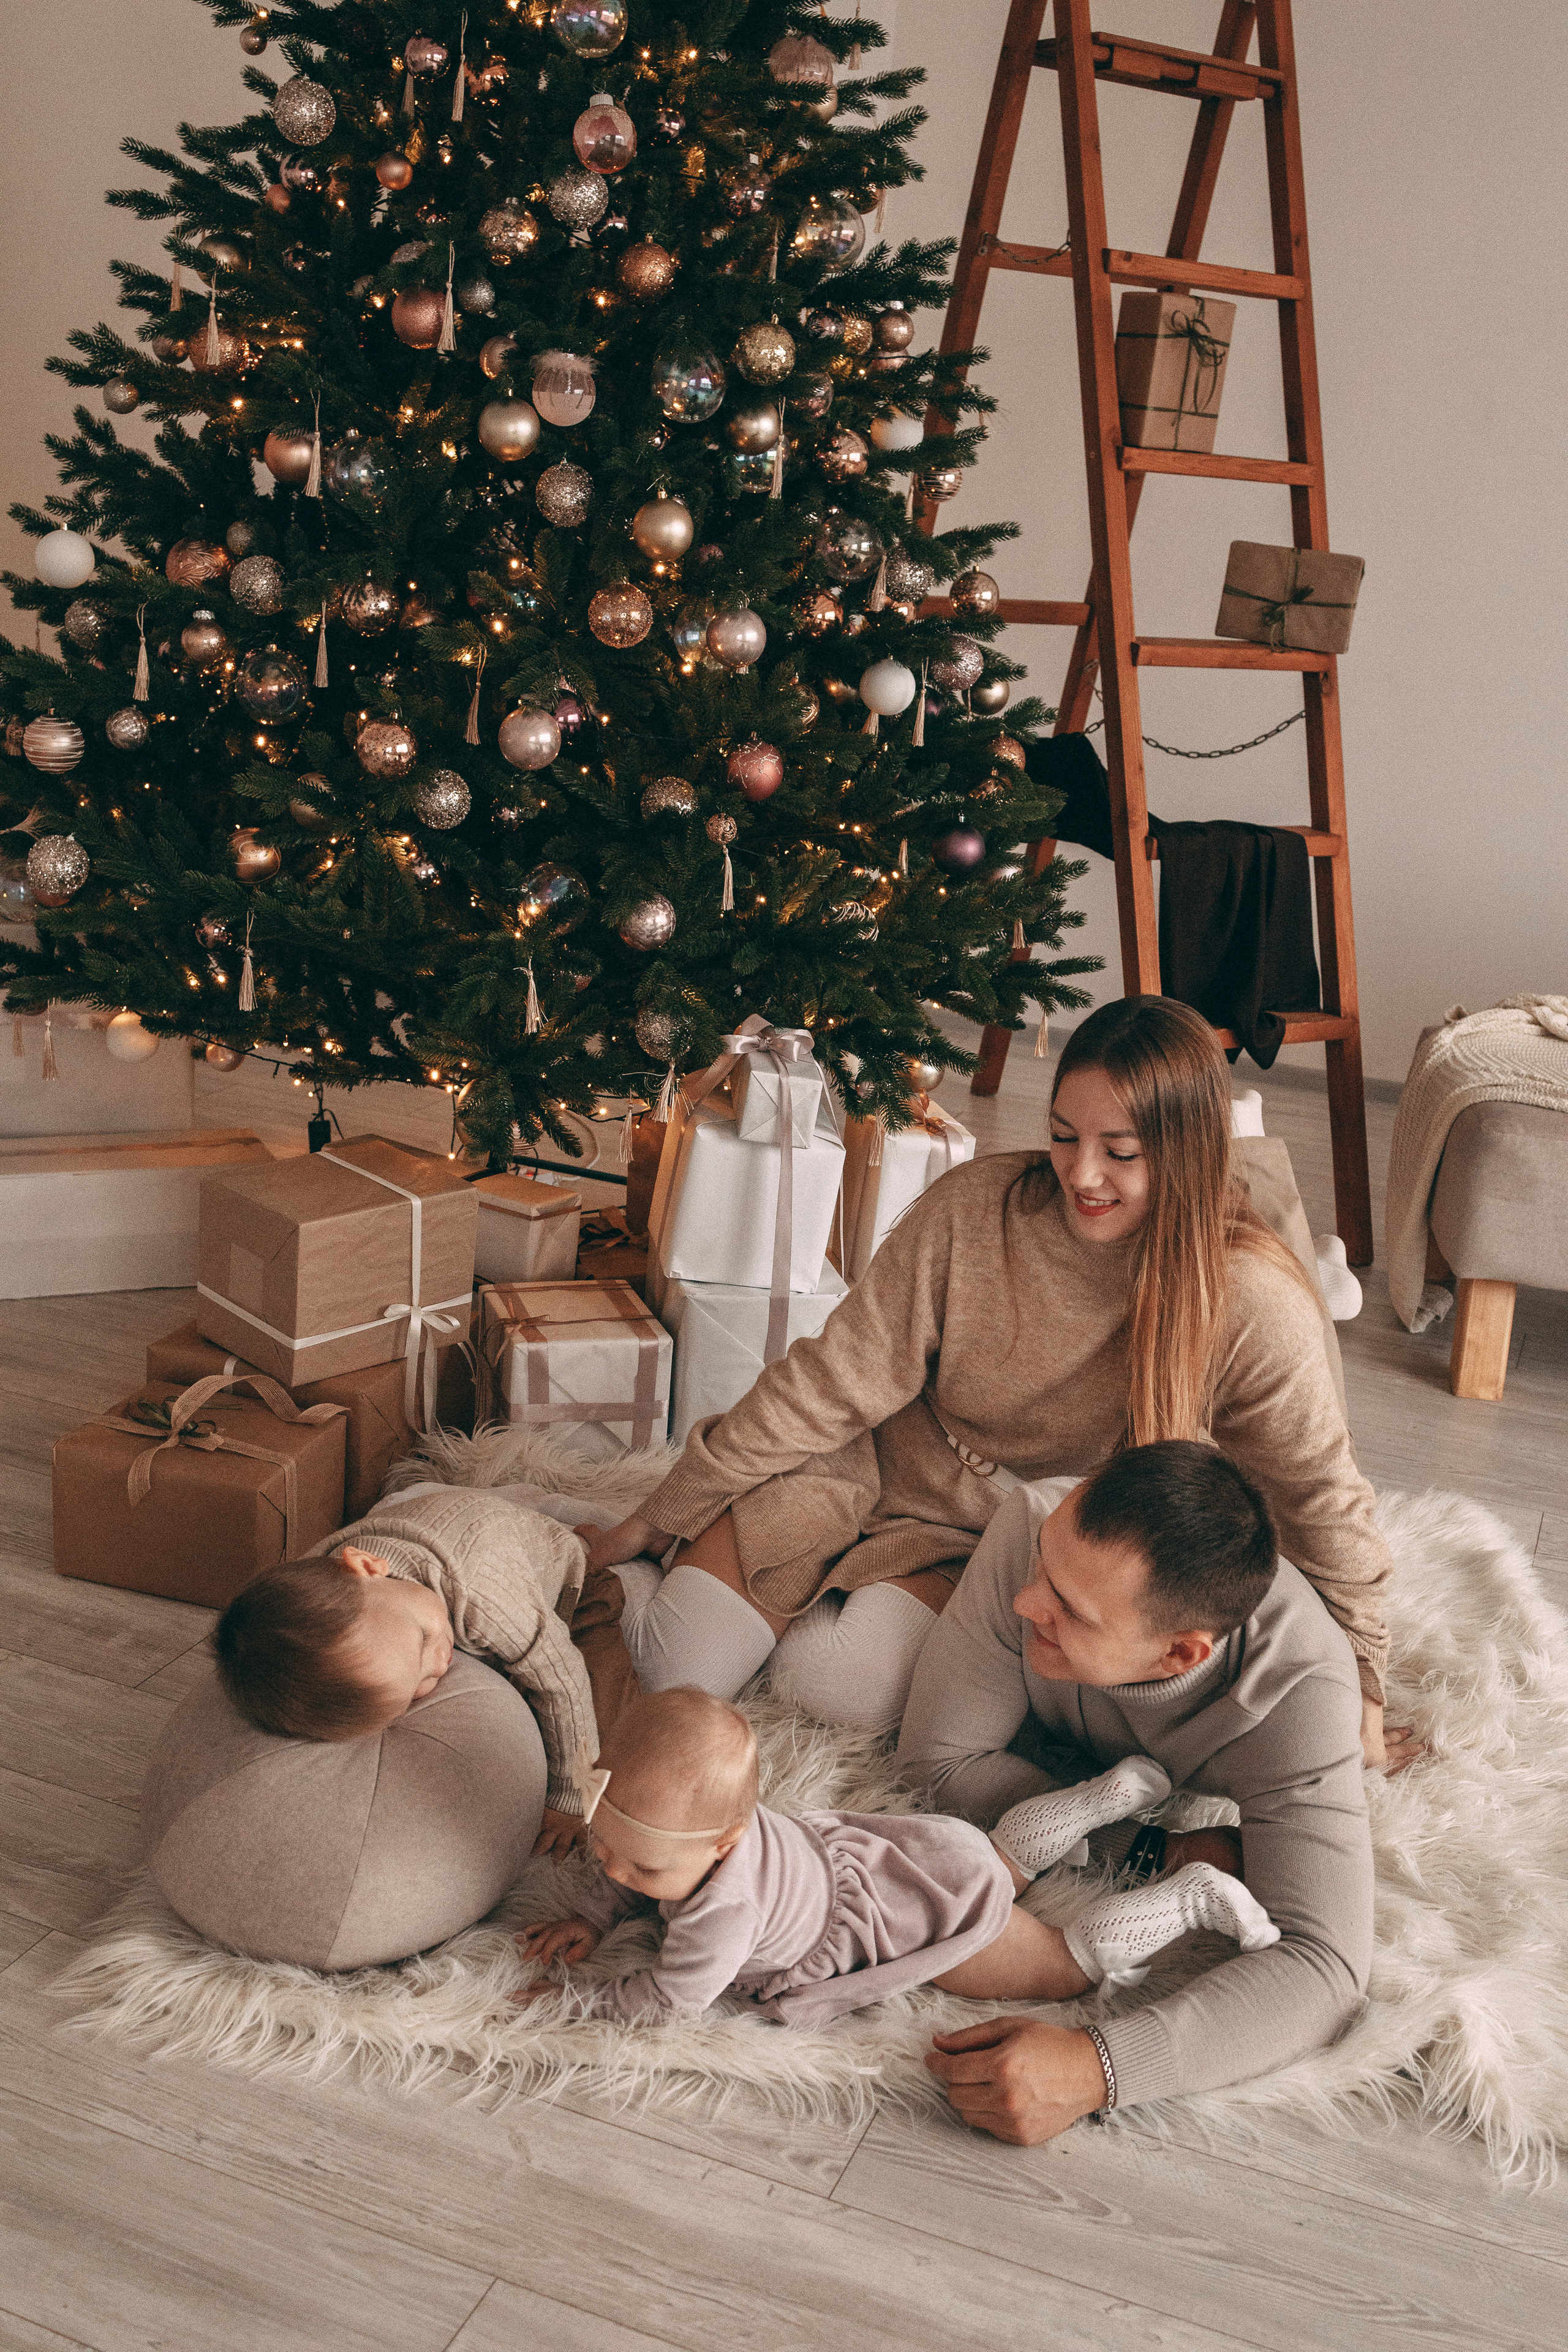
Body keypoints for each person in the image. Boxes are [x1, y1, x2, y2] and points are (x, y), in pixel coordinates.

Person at [584, 996, 1410, 1770]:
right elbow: (832, 1381)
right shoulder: (974, 1209)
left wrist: (1363, 1684)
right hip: (856, 1464)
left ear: (1189, 1150)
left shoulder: (1250, 1297)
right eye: (1063, 1135)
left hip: (994, 1543)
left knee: (835, 1685)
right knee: (674, 1668)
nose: (1082, 1174)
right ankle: (596, 1547)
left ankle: (733, 1578)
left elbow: (1318, 1494)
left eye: (1121, 1153)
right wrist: (666, 1507)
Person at [897, 1442, 1374, 2144]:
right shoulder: (1034, 1520)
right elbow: (938, 1766)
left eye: (1069, 1609)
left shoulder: (1301, 1689)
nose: (1026, 1600)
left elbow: (1326, 1968)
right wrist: (1155, 1851)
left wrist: (1096, 2068)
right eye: (1042, 1563)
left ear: (1180, 1654)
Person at [513, 1687, 1278, 2026]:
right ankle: (1091, 1804)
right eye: (604, 1849)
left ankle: (1189, 1898)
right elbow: (628, 1859)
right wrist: (594, 1914)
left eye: (642, 1872)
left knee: (1059, 1967)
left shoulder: (724, 1913)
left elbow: (668, 1999)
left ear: (725, 1843)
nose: (615, 1874)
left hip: (904, 1915)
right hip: (917, 1853)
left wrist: (582, 2000)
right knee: (1000, 1863)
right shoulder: (681, 1834)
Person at [213, 1487, 600, 1857]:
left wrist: (572, 1793)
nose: (440, 1663)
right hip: (443, 1519)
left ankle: (596, 1545)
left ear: (367, 1566)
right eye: (418, 1684)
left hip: (550, 1560)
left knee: (601, 1685)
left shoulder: (483, 1596)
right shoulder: (322, 1586)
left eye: (423, 1637)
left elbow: (563, 1679)